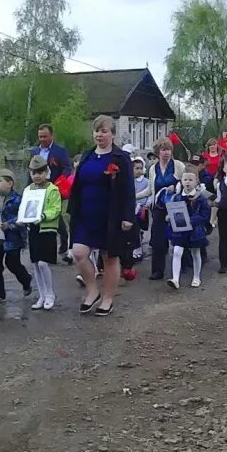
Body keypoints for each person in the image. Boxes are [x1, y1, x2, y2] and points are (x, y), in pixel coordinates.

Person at [68, 115, 134, 316]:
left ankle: (107, 299)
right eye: (97, 131)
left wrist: (127, 216)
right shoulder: (87, 156)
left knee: (109, 258)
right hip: (85, 214)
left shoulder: (120, 158)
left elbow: (128, 189)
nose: (100, 134)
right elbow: (78, 185)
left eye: (104, 131)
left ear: (112, 134)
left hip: (110, 216)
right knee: (79, 253)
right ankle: (92, 291)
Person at [139, 137, 185, 281]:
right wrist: (133, 196)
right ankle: (157, 270)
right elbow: (150, 190)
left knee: (181, 237)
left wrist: (176, 186)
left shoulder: (178, 166)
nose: (166, 152)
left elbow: (188, 183)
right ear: (157, 151)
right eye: (163, 149)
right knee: (157, 239)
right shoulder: (153, 169)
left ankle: (184, 265)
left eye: (169, 149)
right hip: (159, 208)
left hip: (176, 205)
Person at [25, 155, 62, 311]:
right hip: (33, 228)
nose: (37, 176)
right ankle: (41, 295)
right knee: (35, 264)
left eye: (40, 172)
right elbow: (25, 207)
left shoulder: (52, 189)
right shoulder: (28, 189)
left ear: (46, 172)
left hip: (47, 229)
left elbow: (56, 208)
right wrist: (24, 218)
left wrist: (43, 216)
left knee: (43, 262)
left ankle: (50, 294)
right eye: (34, 173)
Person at [29, 124, 72, 260]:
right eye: (40, 136)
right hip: (37, 188)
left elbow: (67, 167)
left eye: (45, 136)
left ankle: (63, 242)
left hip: (54, 188)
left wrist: (60, 181)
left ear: (51, 136)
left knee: (55, 213)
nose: (42, 139)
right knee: (43, 213)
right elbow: (30, 170)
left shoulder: (60, 151)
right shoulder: (34, 151)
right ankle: (47, 243)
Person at [0, 169, 32, 302]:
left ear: (10, 183)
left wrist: (10, 224)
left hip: (13, 238)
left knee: (12, 263)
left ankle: (26, 279)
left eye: (0, 181)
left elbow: (23, 216)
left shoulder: (17, 199)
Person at [166, 171, 210, 289]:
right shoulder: (177, 197)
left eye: (191, 180)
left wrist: (191, 220)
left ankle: (196, 277)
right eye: (185, 180)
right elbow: (173, 211)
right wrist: (170, 216)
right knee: (176, 252)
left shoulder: (201, 198)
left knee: (195, 253)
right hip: (180, 230)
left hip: (195, 230)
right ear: (181, 182)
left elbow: (205, 214)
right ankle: (175, 279)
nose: (187, 182)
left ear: (196, 182)